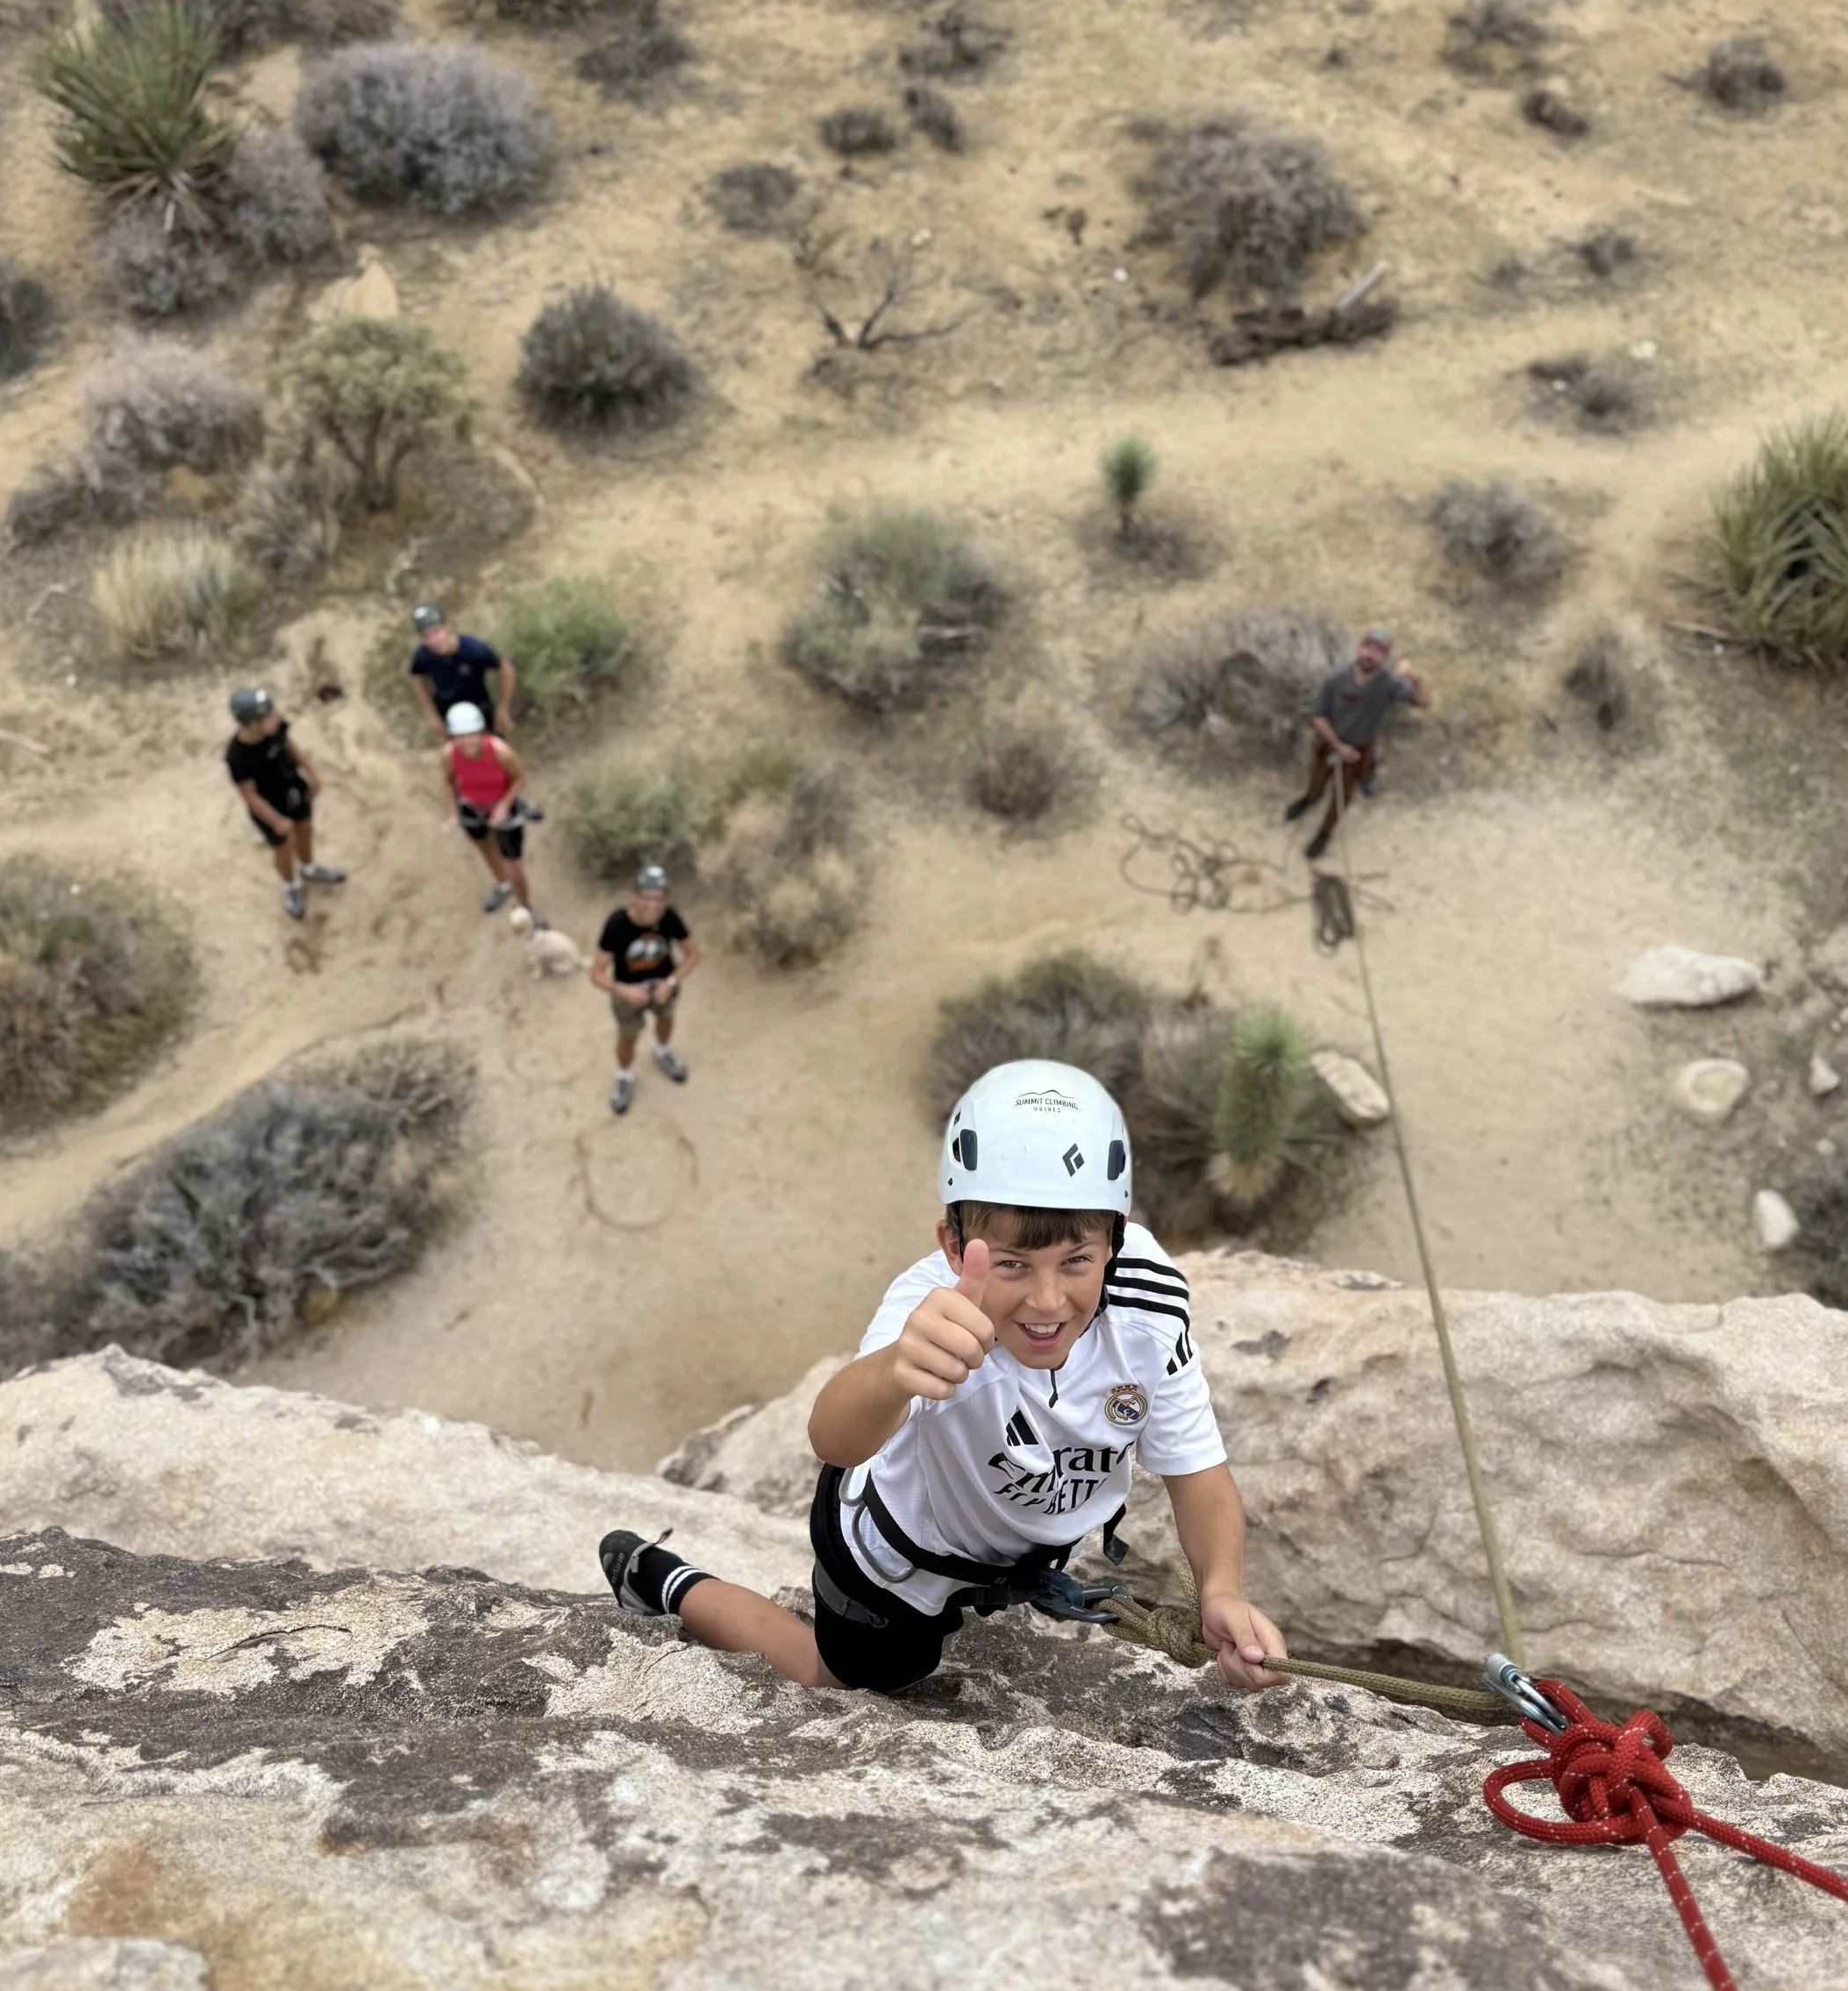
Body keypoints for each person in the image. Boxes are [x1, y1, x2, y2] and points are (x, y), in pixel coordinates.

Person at [597, 1059, 1288, 1697]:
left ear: (1115, 1237)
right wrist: (898, 1370)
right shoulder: (930, 1311)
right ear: (953, 1246)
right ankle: (663, 1579)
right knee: (843, 1676)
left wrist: (1220, 1590)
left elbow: (1198, 1470)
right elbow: (834, 1440)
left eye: (1076, 1259)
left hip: (1024, 1535)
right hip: (900, 1544)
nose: (1047, 1301)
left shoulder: (1150, 1306)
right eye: (1013, 1263)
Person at [1284, 626, 1429, 861]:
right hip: (1329, 745)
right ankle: (1309, 800)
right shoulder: (1336, 679)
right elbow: (1319, 716)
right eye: (1367, 647)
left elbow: (1423, 703)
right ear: (1359, 648)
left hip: (1359, 752)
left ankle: (1324, 833)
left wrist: (1415, 679)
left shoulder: (1388, 684)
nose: (1370, 654)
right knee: (1317, 781)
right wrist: (1338, 745)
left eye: (1378, 651)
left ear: (1385, 658)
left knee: (1342, 797)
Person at [224, 686, 346, 923]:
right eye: (267, 717)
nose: (276, 718)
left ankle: (309, 868)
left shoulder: (275, 729)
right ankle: (290, 886)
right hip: (269, 806)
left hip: (293, 789)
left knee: (306, 829)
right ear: (250, 725)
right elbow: (249, 795)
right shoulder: (237, 757)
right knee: (283, 847)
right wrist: (276, 821)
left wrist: (312, 774)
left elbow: (291, 747)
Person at [589, 865, 697, 1116]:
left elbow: (693, 955)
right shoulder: (617, 923)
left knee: (667, 1019)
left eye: (658, 898)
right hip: (628, 991)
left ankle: (662, 1052)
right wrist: (624, 991)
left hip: (663, 985)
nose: (653, 905)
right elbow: (595, 974)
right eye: (646, 898)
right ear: (635, 896)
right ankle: (624, 1076)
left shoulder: (670, 917)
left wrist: (670, 983)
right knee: (627, 1038)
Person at [441, 702, 535, 918]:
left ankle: (526, 907)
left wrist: (504, 806)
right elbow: (447, 781)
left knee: (514, 863)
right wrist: (452, 813)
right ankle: (503, 885)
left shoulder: (501, 752)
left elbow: (519, 778)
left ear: (481, 732)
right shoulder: (449, 754)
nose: (467, 742)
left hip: (503, 806)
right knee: (485, 846)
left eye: (471, 735)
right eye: (460, 736)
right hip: (472, 806)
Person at [408, 604, 515, 745]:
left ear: (447, 627)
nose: (434, 640)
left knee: (494, 752)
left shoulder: (473, 650)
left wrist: (502, 708)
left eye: (436, 632)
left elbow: (506, 670)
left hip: (480, 709)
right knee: (460, 756)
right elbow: (418, 678)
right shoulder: (423, 655)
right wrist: (431, 715)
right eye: (426, 636)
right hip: (449, 714)